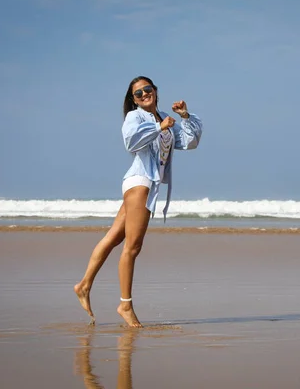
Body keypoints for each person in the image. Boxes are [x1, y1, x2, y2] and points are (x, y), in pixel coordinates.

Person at [74, 75, 203, 328]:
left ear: (155, 90)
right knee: (132, 247)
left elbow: (190, 142)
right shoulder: (135, 117)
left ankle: (84, 285)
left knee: (114, 237)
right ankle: (125, 305)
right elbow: (131, 142)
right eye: (138, 94)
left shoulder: (163, 117)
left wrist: (185, 117)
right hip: (140, 182)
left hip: (143, 184)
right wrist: (159, 127)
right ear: (133, 100)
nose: (144, 95)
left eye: (147, 89)